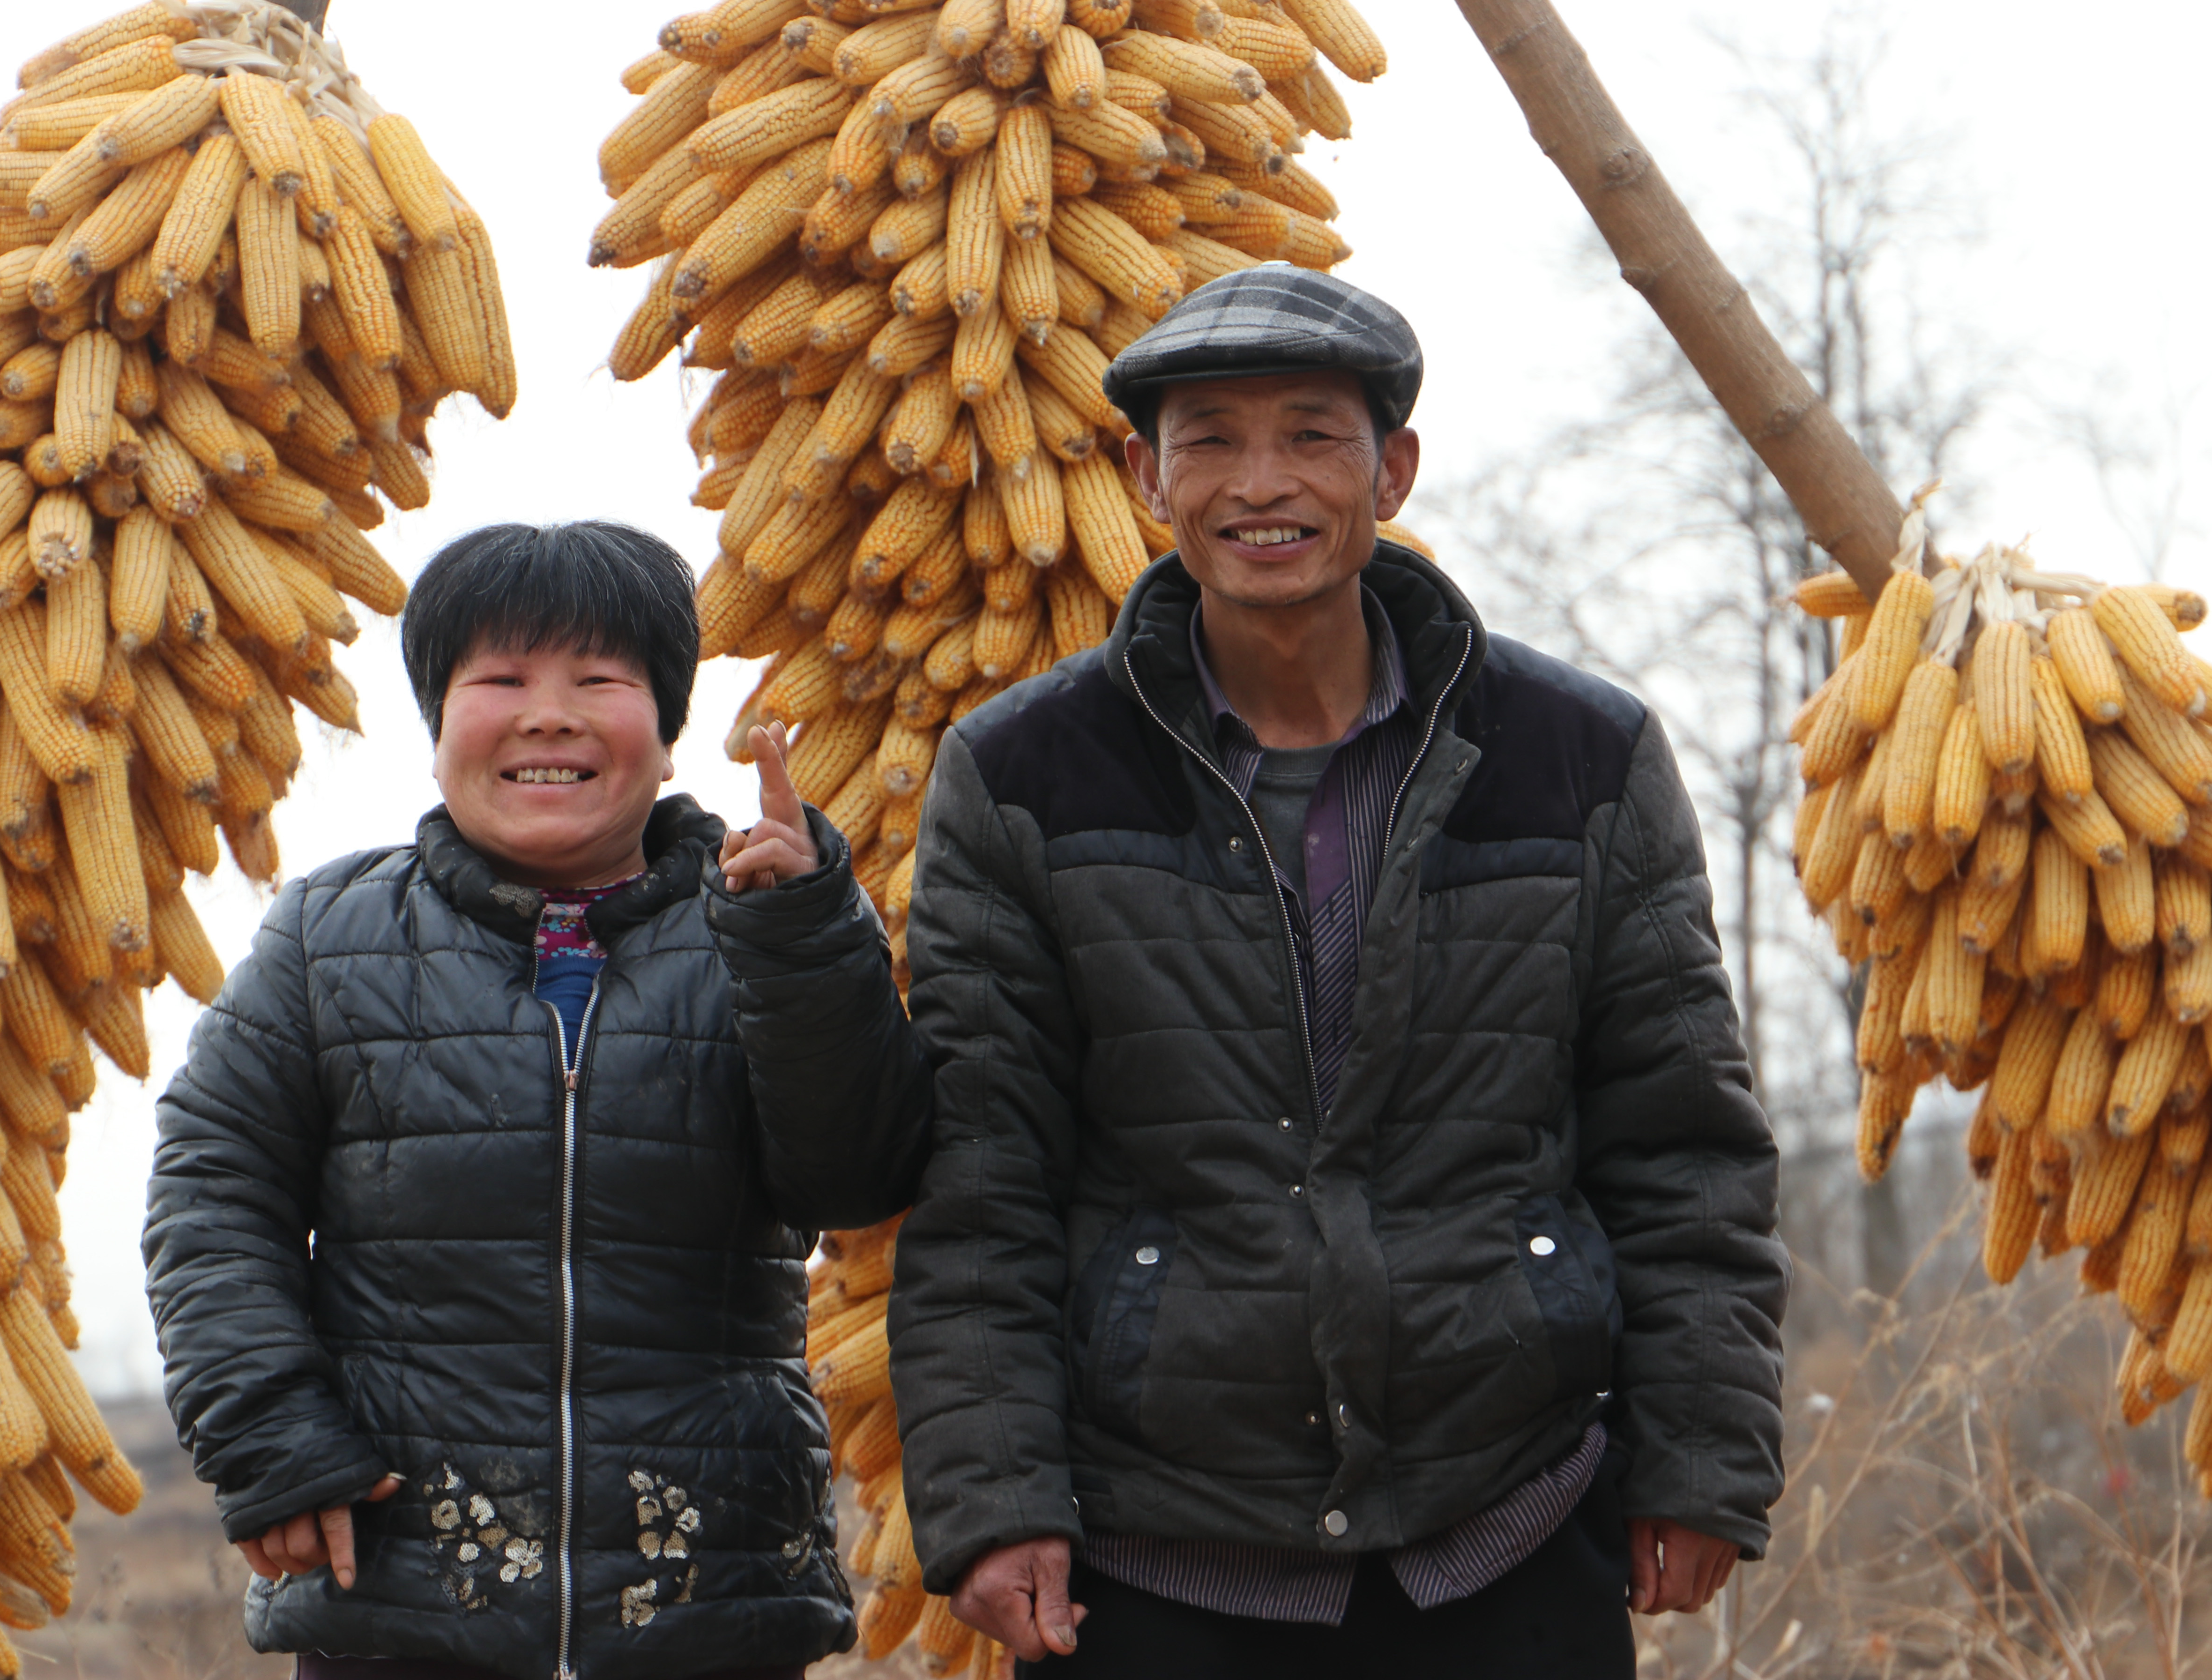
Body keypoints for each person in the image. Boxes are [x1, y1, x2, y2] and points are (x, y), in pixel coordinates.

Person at [888, 267, 1789, 1678]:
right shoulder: (1021, 775)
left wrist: (1699, 1453)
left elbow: (1680, 1141)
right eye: (1211, 440)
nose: (1263, 483)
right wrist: (996, 1497)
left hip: (1507, 1519)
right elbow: (980, 1177)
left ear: (1393, 469)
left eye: (1312, 433)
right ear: (1144, 475)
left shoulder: (1577, 754)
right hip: (1160, 1545)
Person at [142, 521, 933, 1680]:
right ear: (437, 730)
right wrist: (271, 1437)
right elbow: (212, 1196)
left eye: (599, 681)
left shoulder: (768, 917)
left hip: (705, 1602)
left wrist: (804, 943)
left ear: (666, 736)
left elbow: (856, 1175)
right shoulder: (329, 936)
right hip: (403, 1592)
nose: (547, 714)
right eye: (500, 679)